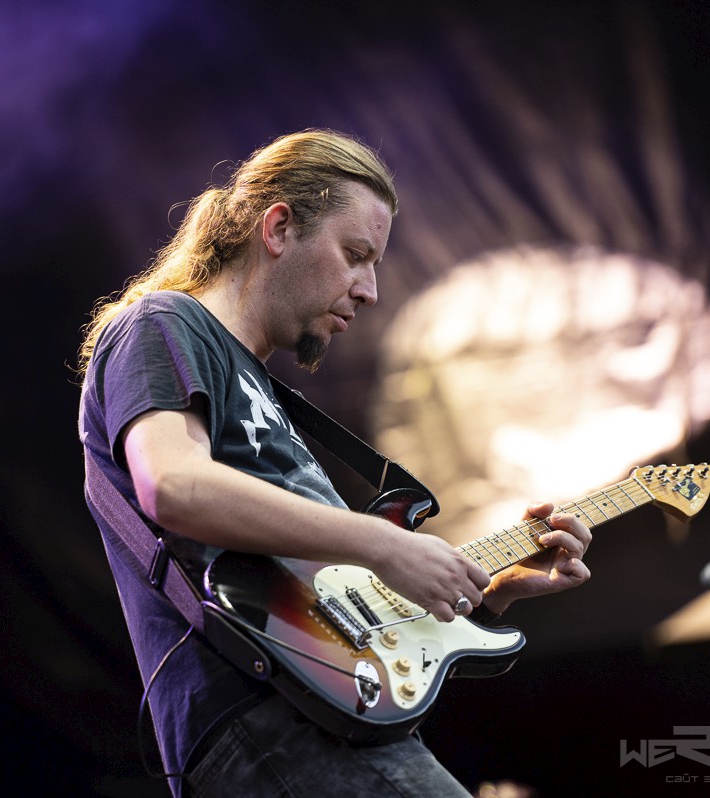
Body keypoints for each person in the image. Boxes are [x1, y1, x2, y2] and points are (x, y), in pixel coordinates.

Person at [77, 129, 592, 797]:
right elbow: (173, 485)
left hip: (315, 711)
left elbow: (334, 603)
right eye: (355, 255)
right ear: (278, 228)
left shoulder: (261, 390)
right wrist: (380, 542)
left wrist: (492, 589)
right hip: (261, 714)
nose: (370, 289)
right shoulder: (161, 323)